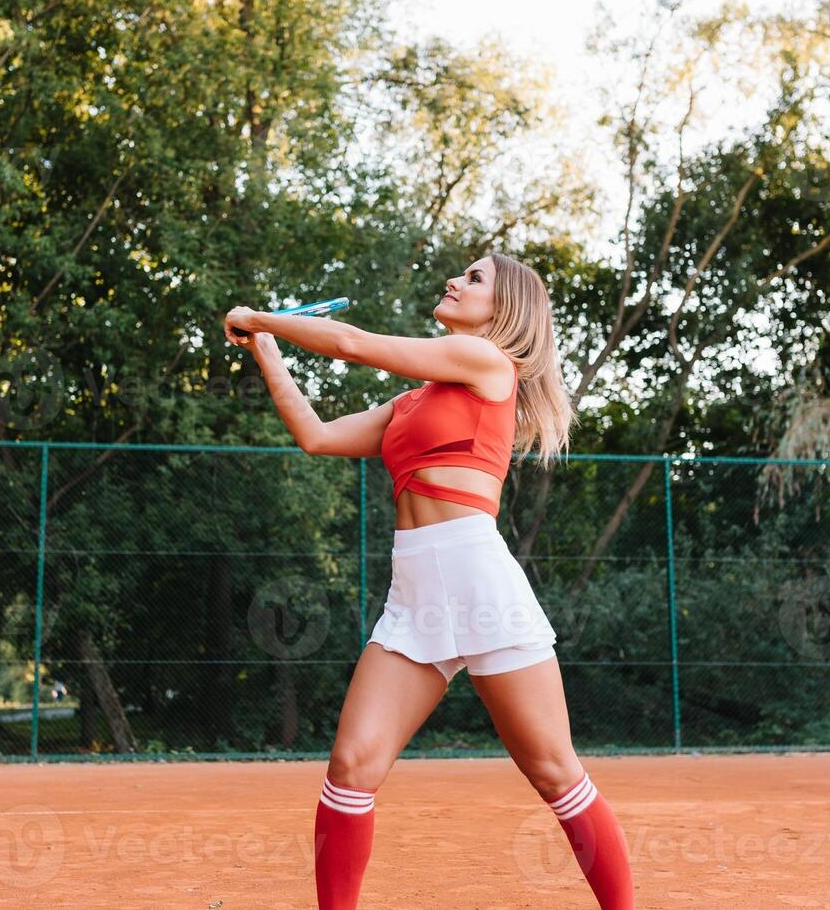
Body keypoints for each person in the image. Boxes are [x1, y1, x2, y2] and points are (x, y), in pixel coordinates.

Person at [224, 254, 634, 909]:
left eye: (474, 279)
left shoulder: (487, 363)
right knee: (352, 766)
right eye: (460, 274)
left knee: (555, 773)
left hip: (479, 584)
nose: (456, 281)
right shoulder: (414, 401)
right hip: (414, 596)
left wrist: (257, 314)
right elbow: (318, 437)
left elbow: (353, 344)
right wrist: (266, 346)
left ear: (504, 311)